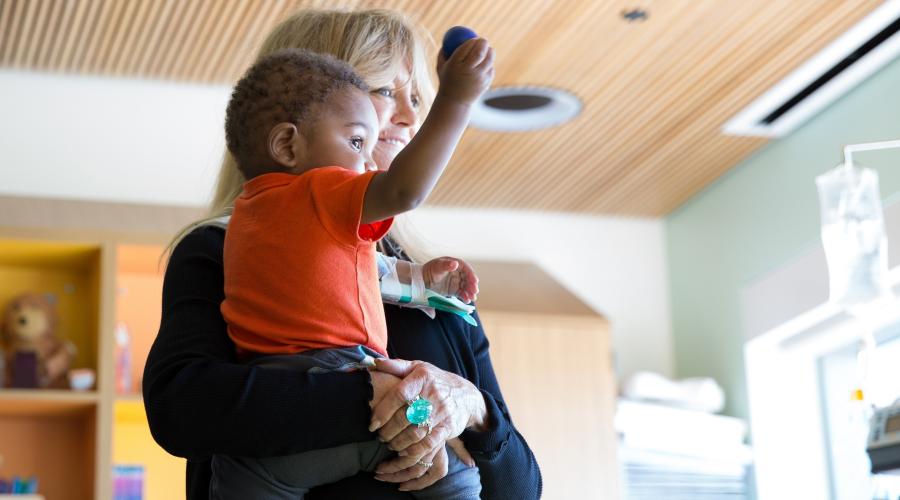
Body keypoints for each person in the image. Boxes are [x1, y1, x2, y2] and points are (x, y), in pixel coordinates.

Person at [143, 8, 542, 499]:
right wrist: (382, 404)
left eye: (415, 96)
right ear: (298, 114)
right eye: (383, 91)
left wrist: (470, 409)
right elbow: (182, 409)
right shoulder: (216, 251)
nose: (411, 117)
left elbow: (521, 490)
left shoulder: (440, 289)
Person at [212, 41, 492, 499]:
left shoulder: (250, 217)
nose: (364, 160)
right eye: (357, 140)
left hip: (266, 428)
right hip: (345, 379)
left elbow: (350, 272)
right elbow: (405, 191)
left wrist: (421, 279)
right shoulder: (320, 189)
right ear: (288, 145)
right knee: (458, 477)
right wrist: (457, 98)